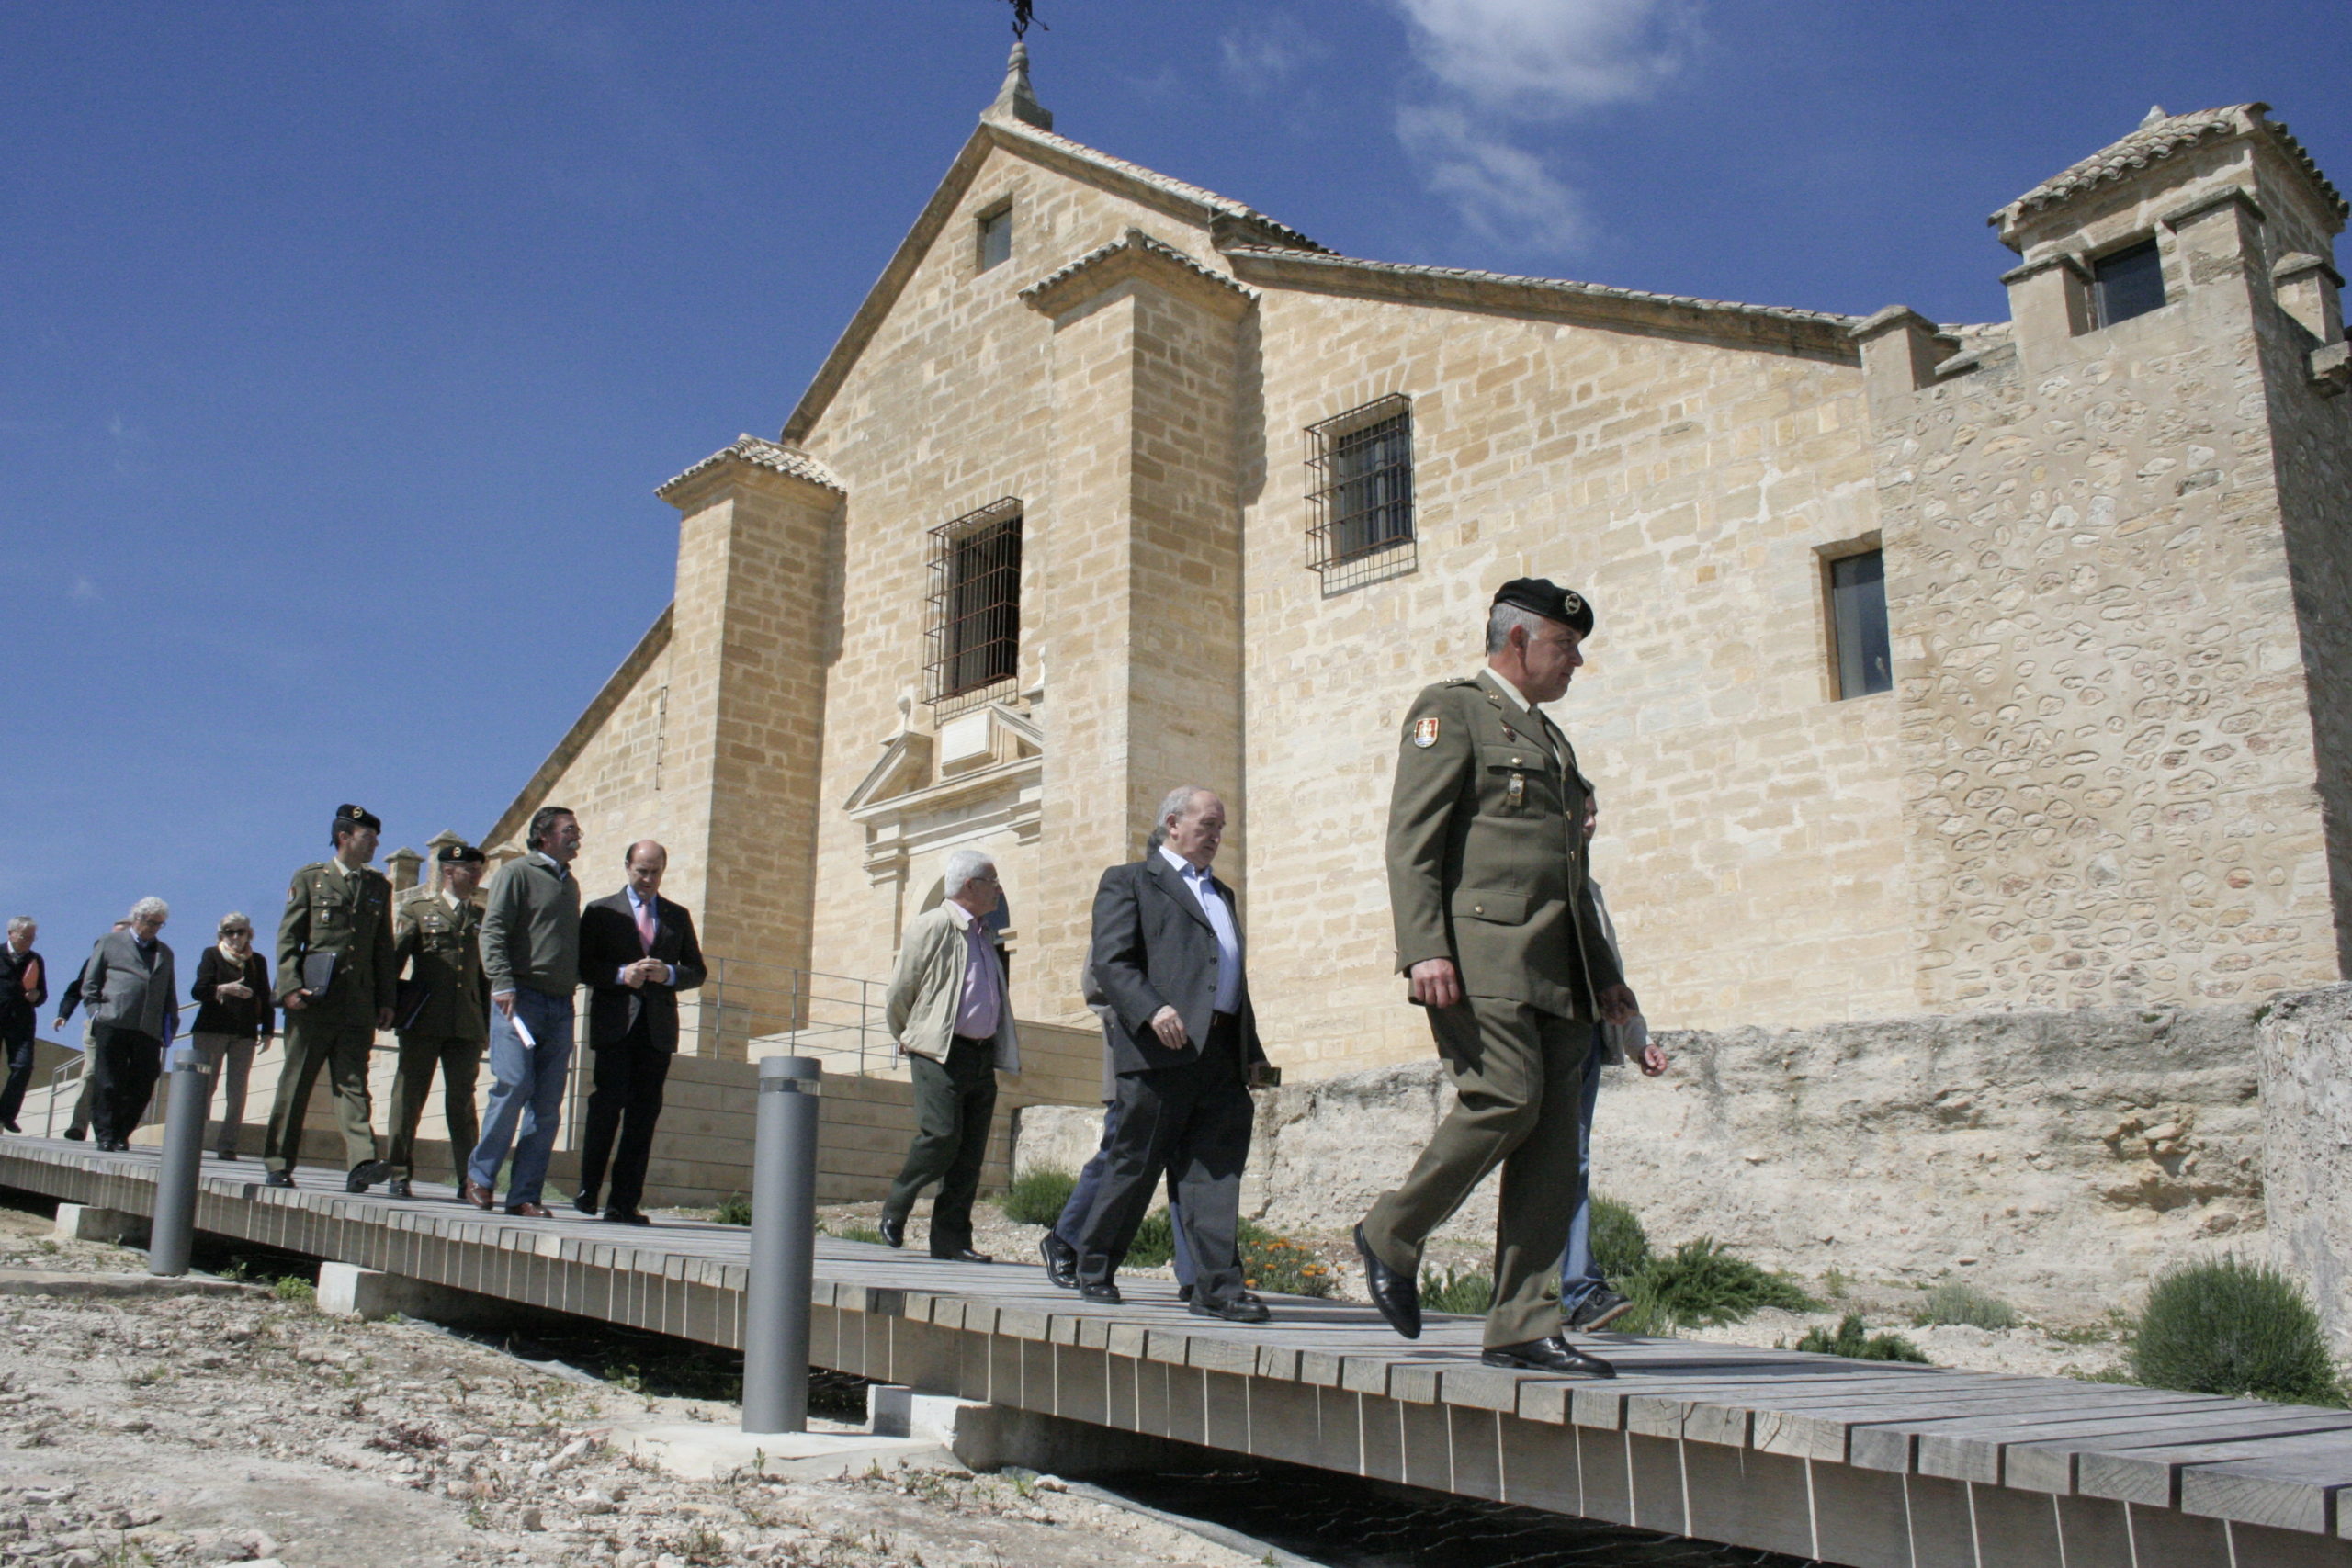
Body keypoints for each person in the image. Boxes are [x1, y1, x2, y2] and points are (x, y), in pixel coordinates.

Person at [1354, 579, 1638, 1378]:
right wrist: (1424, 949)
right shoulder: (1453, 711)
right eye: (1564, 645)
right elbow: (1411, 841)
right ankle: (1392, 1231)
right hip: (1481, 959)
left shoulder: (1553, 742)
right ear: (1517, 641)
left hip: (1561, 969)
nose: (1575, 660)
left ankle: (1522, 1321)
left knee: (1553, 1146)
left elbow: (1569, 873)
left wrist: (1608, 977)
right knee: (1506, 1097)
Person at [1072, 787, 1273, 1323]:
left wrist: (1251, 1050)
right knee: (1134, 1164)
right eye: (1208, 824)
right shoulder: (1129, 882)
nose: (1216, 836)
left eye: (1221, 827)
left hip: (1219, 1055)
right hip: (1160, 1049)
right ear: (1172, 824)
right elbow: (1113, 964)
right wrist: (1152, 1009)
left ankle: (1217, 1289)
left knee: (1214, 1172)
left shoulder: (1222, 893)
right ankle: (1092, 1265)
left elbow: (1229, 978)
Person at [1038, 831, 1195, 1300]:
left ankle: (1195, 1273)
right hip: (1136, 1054)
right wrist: (1143, 1019)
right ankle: (1066, 1238)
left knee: (1185, 1160)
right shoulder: (1132, 895)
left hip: (1187, 1059)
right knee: (1122, 1150)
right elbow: (1099, 979)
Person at [1552, 797, 1669, 1334]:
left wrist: (1636, 1038)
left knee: (1571, 1163)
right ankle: (1398, 1234)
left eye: (1595, 811)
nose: (1592, 820)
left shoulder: (1588, 889)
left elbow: (1611, 973)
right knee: (1544, 1163)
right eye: (1583, 810)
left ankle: (1578, 1289)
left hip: (1587, 1041)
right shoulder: (1546, 877)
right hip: (1546, 1038)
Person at [878, 849, 1019, 1262]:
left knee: (970, 1152)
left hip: (980, 1054)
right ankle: (896, 1207)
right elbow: (900, 990)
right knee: (941, 1136)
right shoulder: (932, 925)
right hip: (939, 1051)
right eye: (992, 881)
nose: (998, 888)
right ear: (970, 885)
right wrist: (907, 1034)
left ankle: (951, 1239)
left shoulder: (983, 933)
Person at [262, 804, 398, 1193]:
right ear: (344, 838)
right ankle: (278, 1163)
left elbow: (382, 948)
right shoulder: (310, 879)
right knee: (297, 1082)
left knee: (353, 1083)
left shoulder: (377, 887)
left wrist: (386, 999)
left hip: (358, 1004)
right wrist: (288, 987)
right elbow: (289, 937)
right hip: (314, 1000)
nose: (374, 844)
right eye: (368, 837)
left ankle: (362, 1163)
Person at [573, 840, 706, 1224]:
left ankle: (624, 1202)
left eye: (655, 872)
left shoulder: (676, 916)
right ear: (627, 867)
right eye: (641, 871)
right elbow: (584, 966)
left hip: (657, 1029)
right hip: (616, 1025)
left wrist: (670, 974)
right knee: (605, 1106)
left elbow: (697, 970)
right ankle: (588, 1189)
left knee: (643, 1116)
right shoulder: (600, 911)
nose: (648, 879)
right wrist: (620, 974)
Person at [464, 806, 583, 1217]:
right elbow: (493, 929)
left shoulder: (571, 885)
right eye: (569, 829)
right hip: (520, 998)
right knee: (513, 1085)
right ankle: (480, 1178)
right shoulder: (516, 874)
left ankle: (524, 1195)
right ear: (543, 835)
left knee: (548, 1104)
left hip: (560, 1004)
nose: (577, 836)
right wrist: (501, 981)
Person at [385, 842, 492, 1200]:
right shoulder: (418, 910)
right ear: (448, 871)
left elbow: (484, 977)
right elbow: (396, 961)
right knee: (409, 1097)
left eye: (480, 870)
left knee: (462, 1103)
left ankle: (469, 1179)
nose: (477, 876)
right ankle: (399, 1172)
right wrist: (387, 1006)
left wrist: (487, 1026)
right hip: (424, 1018)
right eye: (470, 870)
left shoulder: (480, 916)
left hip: (466, 1023)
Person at [80, 898, 179, 1152]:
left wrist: (171, 1022)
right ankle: (105, 1134)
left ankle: (123, 1133)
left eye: (160, 924)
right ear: (137, 918)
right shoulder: (110, 942)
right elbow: (90, 982)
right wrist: (96, 1013)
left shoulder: (165, 953)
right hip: (113, 1021)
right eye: (151, 922)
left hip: (148, 1028)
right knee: (108, 1081)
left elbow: (169, 991)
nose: (154, 928)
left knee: (144, 1081)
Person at [187, 912, 272, 1159]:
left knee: (237, 1090)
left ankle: (228, 1144)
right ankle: (194, 1140)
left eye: (240, 931)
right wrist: (223, 989)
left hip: (244, 1032)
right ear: (221, 934)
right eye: (229, 932)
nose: (235, 937)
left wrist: (267, 1029)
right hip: (211, 1029)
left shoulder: (257, 960)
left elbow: (264, 995)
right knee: (204, 1086)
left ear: (249, 934)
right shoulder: (211, 955)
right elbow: (198, 990)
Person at [51, 920, 130, 1142]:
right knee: (92, 1071)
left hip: (127, 1029)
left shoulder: (141, 964)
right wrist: (63, 1015)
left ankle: (109, 1128)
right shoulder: (97, 960)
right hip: (97, 1025)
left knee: (119, 1078)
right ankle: (78, 1125)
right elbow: (77, 989)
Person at [0, 918, 48, 1134]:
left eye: (32, 937)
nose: (28, 941)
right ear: (11, 933)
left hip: (21, 1023)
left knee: (23, 1066)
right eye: (24, 936)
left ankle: (6, 1114)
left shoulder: (35, 960)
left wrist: (35, 996)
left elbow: (42, 995)